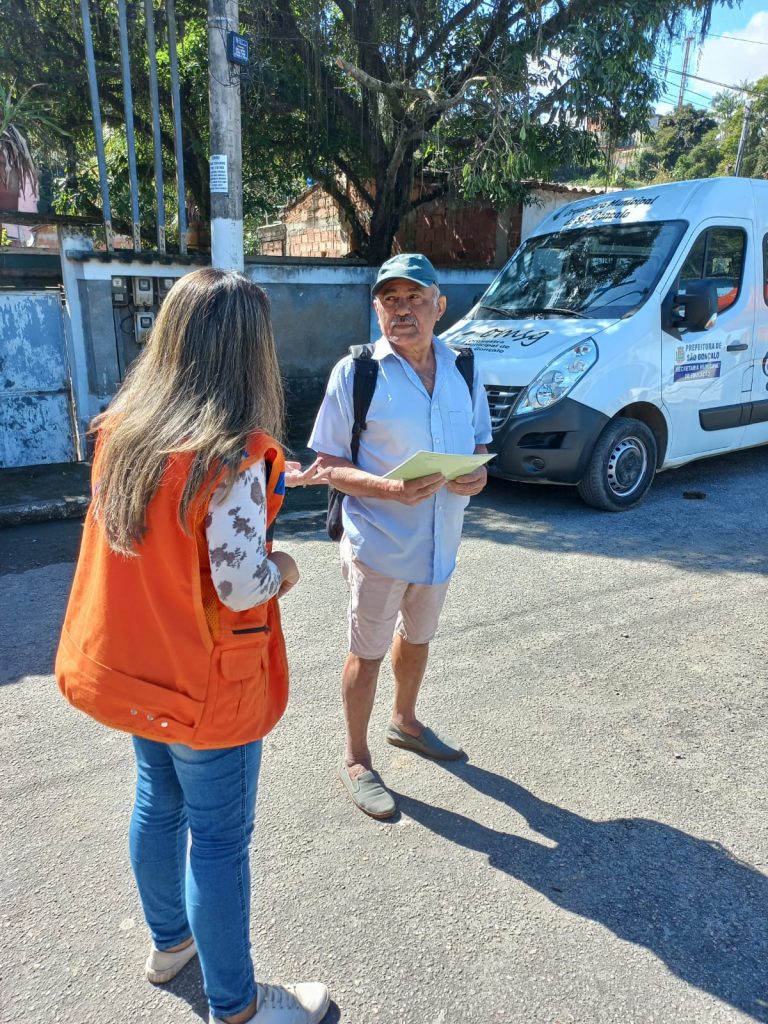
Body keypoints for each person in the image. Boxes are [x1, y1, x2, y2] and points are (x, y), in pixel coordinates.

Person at [55, 268, 329, 1024]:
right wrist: (286, 566)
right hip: (206, 686)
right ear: (249, 353)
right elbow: (242, 586)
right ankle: (237, 1006)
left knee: (157, 801)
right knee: (218, 840)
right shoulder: (230, 457)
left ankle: (169, 942)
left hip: (139, 668)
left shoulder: (125, 435)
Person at [307, 253, 493, 819]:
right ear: (377, 308)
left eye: (415, 298)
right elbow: (327, 464)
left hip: (441, 541)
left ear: (440, 305)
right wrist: (389, 490)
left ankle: (405, 722)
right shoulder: (356, 373)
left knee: (418, 638)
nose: (402, 310)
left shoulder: (464, 368)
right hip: (379, 542)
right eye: (390, 299)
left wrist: (478, 476)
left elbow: (480, 446)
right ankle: (357, 759)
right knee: (366, 653)